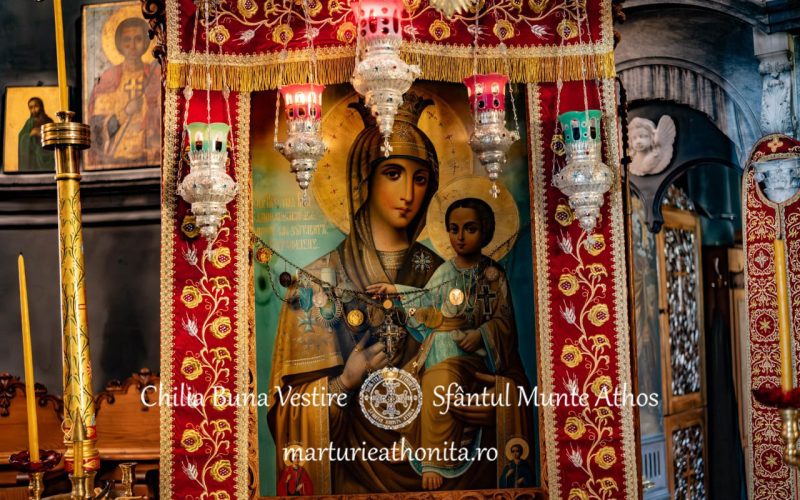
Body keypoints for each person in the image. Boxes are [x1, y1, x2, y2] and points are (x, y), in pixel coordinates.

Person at [367, 197, 529, 490]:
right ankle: (412, 442)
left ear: (486, 231)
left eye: (470, 229)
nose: (460, 237)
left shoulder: (493, 275)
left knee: (437, 383)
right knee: (405, 381)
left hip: (471, 356)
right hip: (437, 347)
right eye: (454, 229)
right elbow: (427, 302)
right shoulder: (444, 272)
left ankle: (435, 461)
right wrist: (395, 290)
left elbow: (504, 322)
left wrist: (481, 333)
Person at [88, 16, 160, 166]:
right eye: (127, 40)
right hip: (116, 155)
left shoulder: (155, 76)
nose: (132, 45)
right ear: (119, 43)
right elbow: (97, 129)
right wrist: (125, 112)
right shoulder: (107, 79)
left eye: (138, 39)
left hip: (150, 154)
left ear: (146, 42)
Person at [17, 97, 54, 171]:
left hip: (47, 153)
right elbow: (21, 136)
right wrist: (30, 135)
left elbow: (53, 138)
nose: (33, 110)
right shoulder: (29, 122)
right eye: (31, 107)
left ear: (41, 107)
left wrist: (41, 134)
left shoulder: (48, 121)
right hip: (33, 157)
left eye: (36, 106)